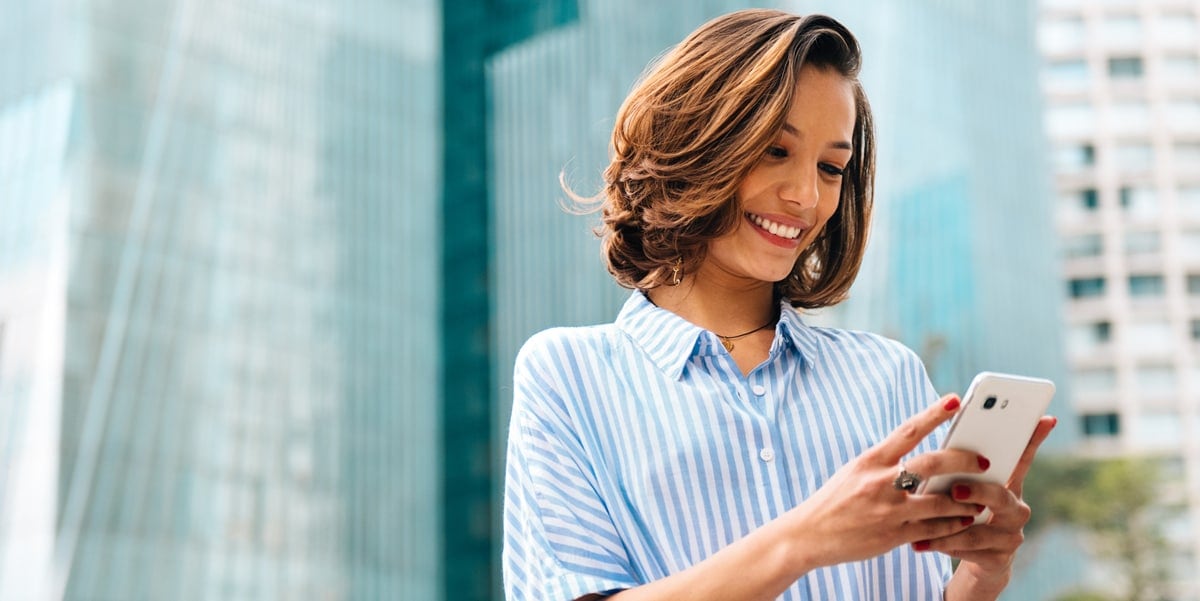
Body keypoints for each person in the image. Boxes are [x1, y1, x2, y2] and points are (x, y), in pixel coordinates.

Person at [502, 9, 1057, 601]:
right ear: (695, 141)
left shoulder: (886, 378)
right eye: (774, 151)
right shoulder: (568, 374)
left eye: (831, 167)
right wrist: (805, 539)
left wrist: (981, 574)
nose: (806, 197)